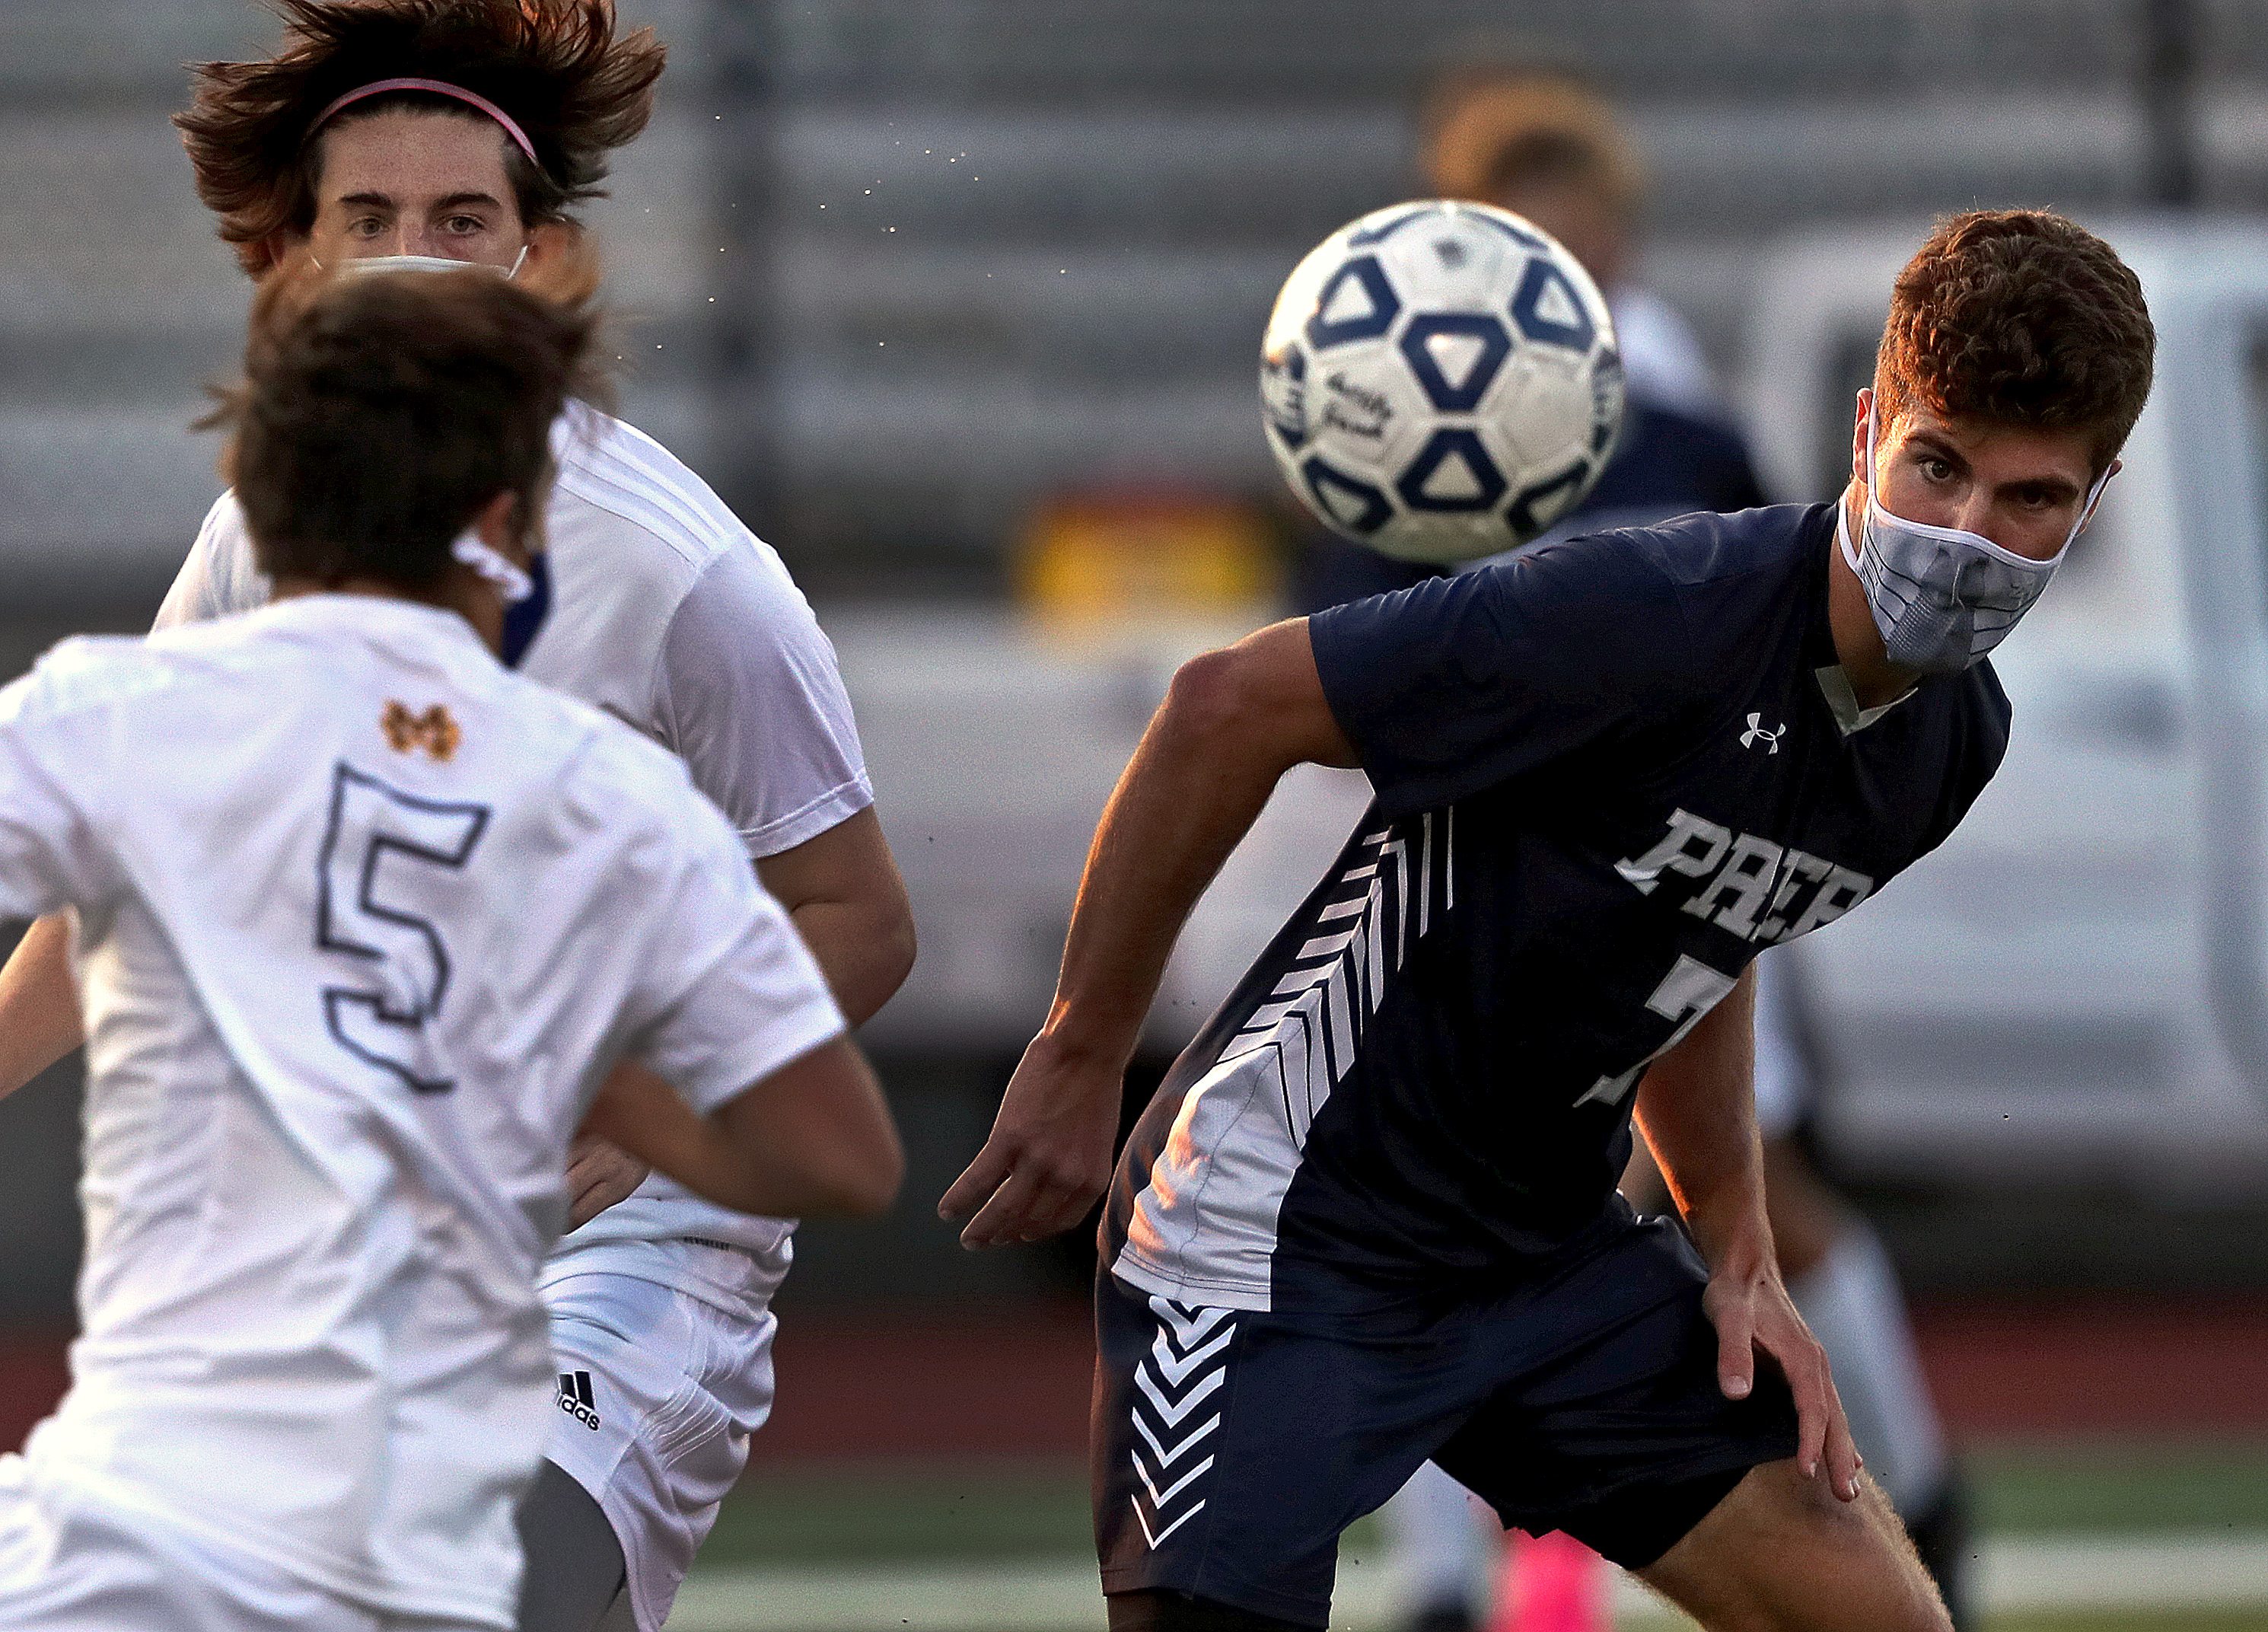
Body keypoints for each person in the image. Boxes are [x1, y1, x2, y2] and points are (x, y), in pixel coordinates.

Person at [941, 208, 2155, 1632]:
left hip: (1536, 1251)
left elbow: (1706, 931)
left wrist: (1738, 1247)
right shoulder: (1653, 615)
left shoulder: (1953, 740)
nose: (1964, 536)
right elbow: (1226, 706)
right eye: (1937, 465)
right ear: (1867, 426)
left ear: (2098, 496)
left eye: (2030, 498)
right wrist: (1085, 1050)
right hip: (1279, 1237)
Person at [0, 6, 917, 1631]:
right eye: (369, 223)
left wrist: (625, 1102)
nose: (415, 260)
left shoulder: (690, 579)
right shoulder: (261, 541)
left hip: (629, 1247)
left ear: (542, 262)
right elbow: (123, 874)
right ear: (291, 264)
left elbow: (858, 918)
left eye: (461, 223)